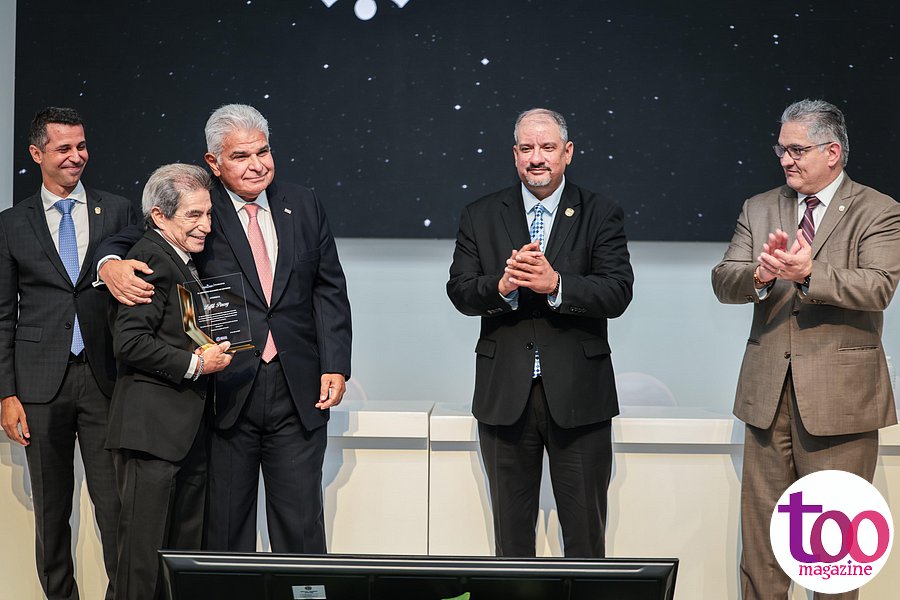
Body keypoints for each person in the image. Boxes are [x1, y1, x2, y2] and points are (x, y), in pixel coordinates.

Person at [97, 104, 352, 554]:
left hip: (298, 390)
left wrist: (335, 364)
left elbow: (328, 288)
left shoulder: (303, 203)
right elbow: (139, 234)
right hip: (227, 391)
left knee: (301, 526)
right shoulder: (200, 205)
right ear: (214, 162)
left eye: (263, 151)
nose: (257, 165)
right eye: (240, 156)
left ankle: (306, 590)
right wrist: (109, 263)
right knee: (225, 530)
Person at [711, 99, 900, 600]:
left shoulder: (878, 209)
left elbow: (878, 286)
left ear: (832, 152)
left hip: (841, 400)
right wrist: (760, 274)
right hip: (766, 396)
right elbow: (724, 279)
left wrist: (809, 273)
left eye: (797, 150)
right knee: (761, 547)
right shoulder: (759, 207)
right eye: (781, 150)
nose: (786, 160)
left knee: (832, 557)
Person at [446, 108, 634, 557]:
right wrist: (502, 287)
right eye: (527, 148)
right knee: (511, 543)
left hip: (580, 396)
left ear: (567, 153)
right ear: (515, 154)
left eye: (547, 147)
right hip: (504, 397)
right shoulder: (480, 214)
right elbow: (460, 290)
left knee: (585, 539)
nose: (537, 158)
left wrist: (557, 285)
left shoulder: (601, 212)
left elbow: (617, 292)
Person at [0, 107, 135, 600]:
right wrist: (6, 394)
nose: (76, 156)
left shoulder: (117, 210)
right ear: (36, 154)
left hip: (105, 380)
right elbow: (3, 315)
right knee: (52, 513)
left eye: (81, 146)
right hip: (39, 387)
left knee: (116, 509)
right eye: (63, 148)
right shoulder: (11, 223)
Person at [106, 163, 231, 600]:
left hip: (184, 433)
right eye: (194, 215)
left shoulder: (182, 260)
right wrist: (197, 364)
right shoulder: (150, 259)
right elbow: (130, 343)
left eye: (208, 214)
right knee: (140, 564)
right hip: (151, 434)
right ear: (160, 216)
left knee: (178, 561)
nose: (206, 226)